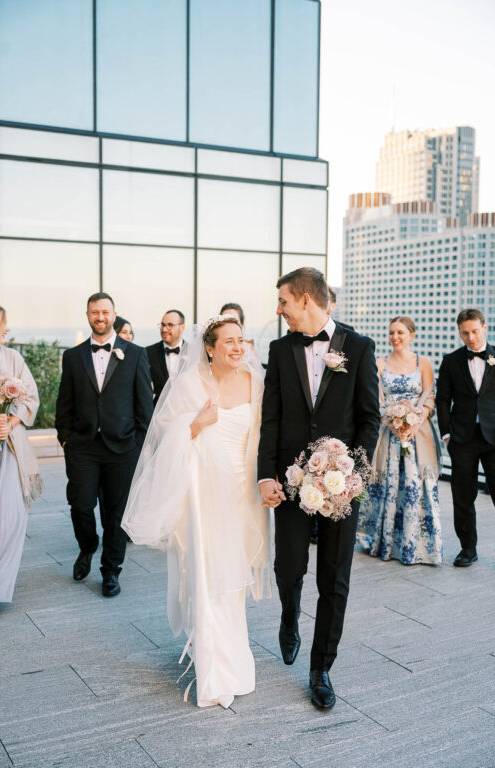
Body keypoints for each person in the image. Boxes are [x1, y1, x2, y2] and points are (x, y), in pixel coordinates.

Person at [123, 315, 270, 707]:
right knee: (207, 580)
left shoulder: (255, 383)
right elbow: (161, 440)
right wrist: (195, 423)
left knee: (233, 582)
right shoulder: (190, 384)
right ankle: (212, 675)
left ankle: (235, 664)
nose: (238, 347)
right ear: (209, 347)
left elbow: (264, 439)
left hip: (241, 496)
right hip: (202, 498)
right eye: (229, 341)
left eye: (241, 340)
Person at [258, 267, 380, 710]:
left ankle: (321, 668)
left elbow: (370, 418)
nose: (279, 310)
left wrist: (354, 475)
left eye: (284, 301)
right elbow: (271, 418)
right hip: (292, 482)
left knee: (335, 578)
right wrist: (266, 474)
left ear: (306, 300)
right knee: (288, 567)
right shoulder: (280, 349)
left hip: (342, 487)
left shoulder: (359, 347)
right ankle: (289, 616)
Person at [56, 292, 153, 597]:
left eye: (105, 312)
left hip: (123, 447)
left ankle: (111, 570)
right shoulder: (73, 357)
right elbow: (64, 403)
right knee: (81, 504)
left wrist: (137, 444)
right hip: (82, 446)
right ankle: (87, 547)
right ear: (88, 315)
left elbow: (144, 407)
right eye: (94, 312)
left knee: (116, 513)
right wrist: (66, 438)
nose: (100, 317)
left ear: (114, 314)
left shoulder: (135, 354)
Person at [357, 317, 442, 565]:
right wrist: (393, 423)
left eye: (401, 332)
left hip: (418, 435)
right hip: (389, 435)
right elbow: (375, 399)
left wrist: (415, 420)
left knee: (417, 486)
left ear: (411, 335)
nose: (395, 337)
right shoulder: (379, 363)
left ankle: (417, 547)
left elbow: (429, 397)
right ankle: (385, 544)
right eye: (392, 332)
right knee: (387, 484)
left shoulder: (423, 362)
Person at [0, 301, 43, 612]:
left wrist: (11, 420)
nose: (7, 329)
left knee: (9, 518)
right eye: (3, 323)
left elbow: (29, 396)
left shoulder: (13, 358)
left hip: (9, 449)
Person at [436, 308, 495, 568]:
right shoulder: (451, 361)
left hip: (494, 438)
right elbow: (442, 399)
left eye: (474, 331)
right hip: (462, 439)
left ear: (485, 327)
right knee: (463, 497)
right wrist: (447, 434)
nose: (470, 337)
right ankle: (467, 549)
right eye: (465, 333)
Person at [147, 310, 186, 406]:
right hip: (157, 411)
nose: (164, 329)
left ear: (182, 327)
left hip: (187, 411)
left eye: (170, 325)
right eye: (163, 325)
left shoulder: (194, 352)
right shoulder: (148, 353)